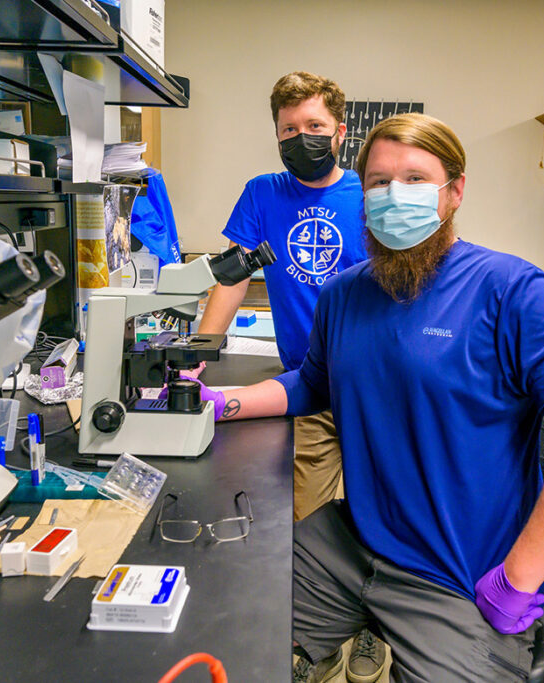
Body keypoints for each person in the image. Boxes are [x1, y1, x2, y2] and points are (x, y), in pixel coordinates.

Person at [192, 113, 544, 682]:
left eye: (414, 179)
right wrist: (217, 401)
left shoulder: (510, 290)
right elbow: (312, 382)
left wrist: (519, 577)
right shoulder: (344, 294)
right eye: (378, 182)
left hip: (457, 572)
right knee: (221, 637)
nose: (393, 195)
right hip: (353, 540)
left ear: (454, 192)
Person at [193, 71, 380, 681]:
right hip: (309, 380)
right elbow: (232, 276)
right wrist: (201, 349)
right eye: (290, 130)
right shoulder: (262, 193)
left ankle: (378, 627)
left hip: (377, 381)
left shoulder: (368, 195)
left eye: (316, 128)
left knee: (388, 509)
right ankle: (315, 643)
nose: (303, 139)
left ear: (341, 131)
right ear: (276, 135)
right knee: (305, 515)